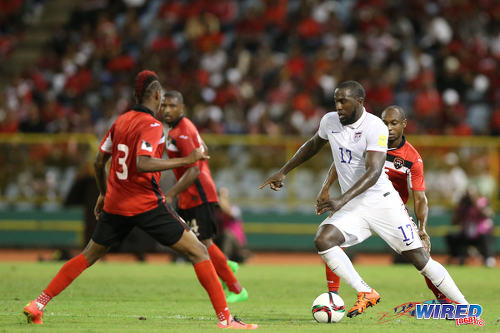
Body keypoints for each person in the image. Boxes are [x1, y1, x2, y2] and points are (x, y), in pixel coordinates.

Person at [23, 70, 257, 329]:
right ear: (156, 95)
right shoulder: (153, 125)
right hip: (145, 203)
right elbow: (142, 163)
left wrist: (103, 192)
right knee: (199, 251)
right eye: (162, 98)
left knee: (88, 255)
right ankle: (226, 320)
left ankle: (38, 304)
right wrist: (186, 160)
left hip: (116, 204)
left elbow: (99, 160)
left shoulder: (120, 121)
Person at [259, 81, 468, 318]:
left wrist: (340, 199)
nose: (338, 106)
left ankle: (464, 306)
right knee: (324, 239)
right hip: (355, 205)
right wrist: (284, 171)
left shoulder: (375, 127)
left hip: (383, 202)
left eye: (343, 101)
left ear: (359, 102)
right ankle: (365, 291)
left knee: (421, 260)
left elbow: (374, 172)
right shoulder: (329, 121)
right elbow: (314, 144)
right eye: (336, 100)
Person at [318, 105, 451, 303]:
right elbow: (341, 160)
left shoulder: (412, 158)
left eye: (393, 123)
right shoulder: (367, 140)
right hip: (359, 205)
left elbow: (420, 197)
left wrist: (422, 229)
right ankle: (333, 297)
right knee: (331, 240)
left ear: (404, 125)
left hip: (391, 211)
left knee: (420, 256)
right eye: (384, 123)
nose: (388, 127)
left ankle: (447, 302)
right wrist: (326, 186)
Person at [161, 90, 248, 303]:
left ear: (182, 108)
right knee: (194, 243)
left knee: (203, 243)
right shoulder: (181, 129)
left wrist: (171, 194)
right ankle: (225, 265)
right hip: (189, 195)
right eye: (164, 105)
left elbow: (194, 170)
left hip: (198, 192)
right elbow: (203, 149)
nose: (167, 110)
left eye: (172, 106)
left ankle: (236, 290)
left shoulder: (182, 131)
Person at [446, 185, 496, 267]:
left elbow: (488, 215)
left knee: (486, 237)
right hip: (466, 234)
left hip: (480, 234)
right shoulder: (463, 205)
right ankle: (457, 257)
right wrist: (459, 209)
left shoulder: (482, 201)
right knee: (451, 236)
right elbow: (454, 222)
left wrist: (475, 202)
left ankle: (488, 258)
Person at [214, 187, 251, 263]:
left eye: (223, 197)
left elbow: (228, 212)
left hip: (237, 244)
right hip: (219, 241)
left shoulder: (234, 209)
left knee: (227, 234)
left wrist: (221, 199)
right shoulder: (215, 211)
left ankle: (224, 259)